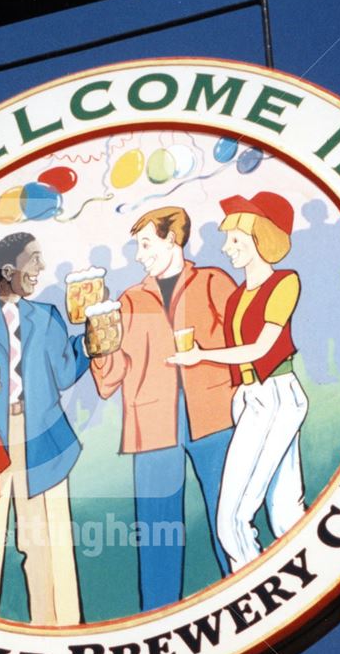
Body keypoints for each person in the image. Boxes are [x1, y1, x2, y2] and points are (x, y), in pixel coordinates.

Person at [91, 205, 236, 611]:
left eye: (145, 244)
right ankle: (157, 617)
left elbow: (240, 342)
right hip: (152, 425)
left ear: (173, 240)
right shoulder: (130, 300)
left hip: (215, 415)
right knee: (158, 533)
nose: (139, 255)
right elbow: (110, 378)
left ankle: (248, 599)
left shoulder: (212, 281)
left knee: (230, 515)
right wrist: (98, 347)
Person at [169, 192, 308, 572]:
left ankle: (256, 589)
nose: (227, 247)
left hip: (276, 395)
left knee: (233, 521)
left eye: (235, 239)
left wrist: (201, 355)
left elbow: (261, 347)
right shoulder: (237, 297)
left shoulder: (284, 283)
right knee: (285, 511)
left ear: (260, 239)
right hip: (247, 398)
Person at [0, 232, 90, 626]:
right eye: (33, 260)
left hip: (43, 432)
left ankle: (59, 626)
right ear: (9, 271)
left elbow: (65, 372)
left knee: (45, 537)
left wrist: (90, 339)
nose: (40, 269)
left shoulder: (48, 316)